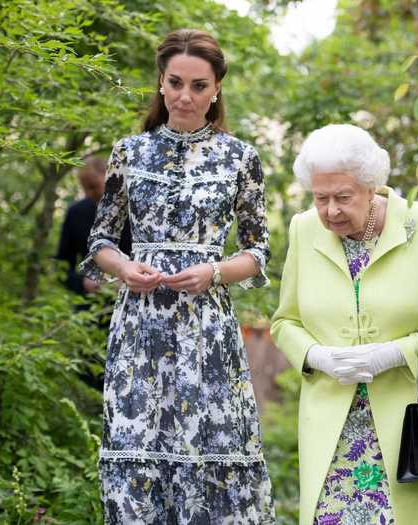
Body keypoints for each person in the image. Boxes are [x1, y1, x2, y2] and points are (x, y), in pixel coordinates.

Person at [78, 29, 275, 524]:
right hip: (140, 331)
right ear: (161, 84)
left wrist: (213, 271)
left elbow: (257, 252)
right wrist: (123, 266)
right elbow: (99, 241)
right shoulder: (129, 153)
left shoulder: (240, 158)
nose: (186, 96)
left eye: (200, 86)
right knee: (136, 455)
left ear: (216, 90)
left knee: (212, 458)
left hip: (207, 334)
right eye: (176, 83)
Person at [271, 124, 418, 525]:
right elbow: (285, 322)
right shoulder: (303, 229)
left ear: (371, 187)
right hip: (334, 430)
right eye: (320, 198)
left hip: (408, 429)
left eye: (343, 197)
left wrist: (393, 354)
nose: (330, 211)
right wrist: (316, 356)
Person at [56, 156, 131, 296]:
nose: (89, 193)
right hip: (90, 306)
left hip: (133, 298)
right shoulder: (75, 214)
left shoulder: (135, 209)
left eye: (93, 186)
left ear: (109, 174)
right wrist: (83, 283)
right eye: (84, 188)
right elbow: (61, 265)